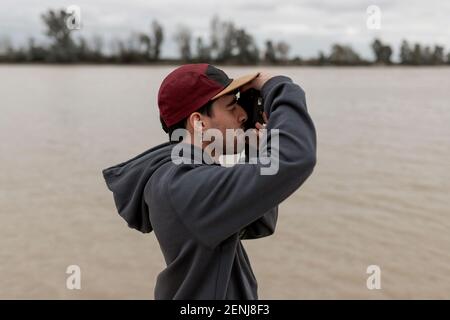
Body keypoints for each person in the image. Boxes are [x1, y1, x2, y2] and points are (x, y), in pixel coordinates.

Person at [102, 63, 317, 299]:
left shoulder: (179, 175)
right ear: (199, 122)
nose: (242, 115)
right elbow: (295, 157)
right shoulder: (183, 185)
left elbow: (260, 223)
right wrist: (277, 86)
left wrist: (255, 148)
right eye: (232, 106)